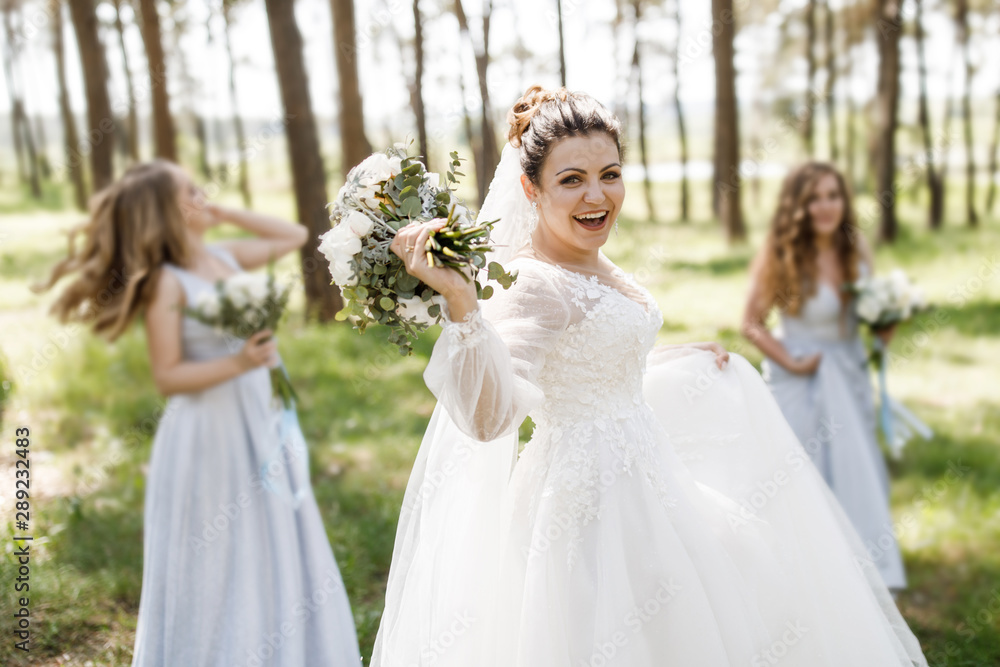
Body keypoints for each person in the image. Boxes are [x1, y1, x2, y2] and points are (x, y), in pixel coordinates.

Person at [370, 86, 927, 666]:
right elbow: (489, 418)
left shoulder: (587, 256)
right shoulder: (532, 285)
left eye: (610, 174)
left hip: (650, 477)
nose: (597, 195)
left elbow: (590, 365)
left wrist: (679, 356)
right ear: (529, 188)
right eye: (571, 180)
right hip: (586, 506)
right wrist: (461, 302)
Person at [38, 161, 362, 666]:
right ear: (169, 211)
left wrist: (226, 210)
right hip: (210, 431)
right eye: (190, 190)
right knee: (221, 543)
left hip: (257, 413)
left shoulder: (223, 256)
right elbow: (168, 375)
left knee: (268, 530)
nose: (202, 194)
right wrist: (237, 361)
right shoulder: (168, 282)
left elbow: (294, 234)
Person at [740, 162, 906, 591]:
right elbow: (752, 323)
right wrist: (793, 363)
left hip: (848, 374)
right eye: (814, 198)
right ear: (798, 206)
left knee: (856, 468)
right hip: (800, 376)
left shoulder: (855, 248)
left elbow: (866, 321)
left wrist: (885, 326)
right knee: (802, 475)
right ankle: (802, 574)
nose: (825, 206)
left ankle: (860, 575)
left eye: (833, 195)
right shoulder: (782, 252)